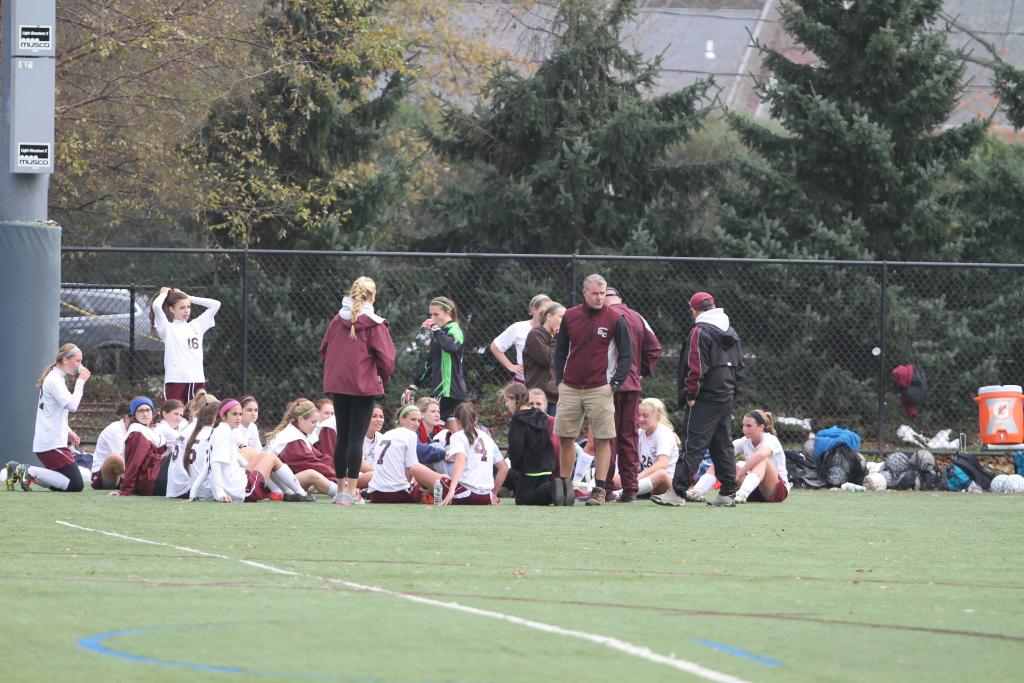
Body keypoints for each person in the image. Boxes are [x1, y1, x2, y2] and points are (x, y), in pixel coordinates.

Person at [653, 291, 744, 508]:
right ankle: (728, 493)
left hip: (704, 397)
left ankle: (677, 492)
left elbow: (696, 367)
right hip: (725, 394)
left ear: (693, 310)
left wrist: (691, 394)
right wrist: (733, 391)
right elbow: (740, 366)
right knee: (722, 444)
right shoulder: (730, 331)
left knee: (692, 443)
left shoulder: (699, 331)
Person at [552, 274, 632, 506]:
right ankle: (565, 485)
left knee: (603, 438)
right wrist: (559, 379)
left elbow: (626, 355)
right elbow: (560, 350)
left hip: (600, 388)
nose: (600, 298)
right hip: (570, 386)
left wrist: (614, 384)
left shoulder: (615, 318)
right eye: (595, 294)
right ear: (585, 293)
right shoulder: (570, 315)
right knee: (566, 436)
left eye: (603, 293)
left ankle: (599, 489)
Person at [320, 276, 397, 506]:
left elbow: (324, 349)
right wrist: (382, 376)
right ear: (372, 296)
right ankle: (352, 493)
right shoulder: (375, 323)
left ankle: (339, 491)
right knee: (356, 439)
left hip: (338, 385)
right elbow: (387, 358)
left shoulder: (337, 319)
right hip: (363, 387)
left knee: (342, 437)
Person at [189, 400, 318, 503]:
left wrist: (194, 491)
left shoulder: (223, 430)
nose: (238, 418)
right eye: (234, 414)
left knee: (263, 456)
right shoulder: (223, 432)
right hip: (242, 491)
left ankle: (292, 493)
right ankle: (299, 493)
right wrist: (220, 494)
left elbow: (209, 464)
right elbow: (214, 464)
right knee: (271, 458)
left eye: (240, 414)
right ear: (223, 416)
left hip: (238, 485)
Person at [602, 287, 661, 503]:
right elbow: (654, 348)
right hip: (631, 386)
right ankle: (630, 489)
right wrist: (640, 372)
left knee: (606, 437)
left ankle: (605, 488)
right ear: (620, 298)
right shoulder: (638, 317)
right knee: (629, 437)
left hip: (607, 385)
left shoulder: (603, 316)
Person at [6, 344, 92, 493]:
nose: (80, 365)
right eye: (77, 361)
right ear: (65, 359)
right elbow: (72, 406)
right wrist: (80, 382)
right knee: (75, 484)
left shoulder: (56, 377)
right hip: (51, 444)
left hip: (50, 443)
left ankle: (21, 471)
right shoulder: (54, 380)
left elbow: (52, 412)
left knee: (69, 482)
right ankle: (26, 471)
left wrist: (67, 431)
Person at [150, 287, 221, 404]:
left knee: (195, 416)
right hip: (176, 379)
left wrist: (188, 297)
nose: (186, 311)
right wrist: (163, 294)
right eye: (182, 308)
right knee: (172, 413)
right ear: (171, 309)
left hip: (197, 379)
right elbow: (157, 306)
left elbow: (216, 304)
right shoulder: (167, 328)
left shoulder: (197, 325)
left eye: (188, 307)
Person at [402, 296, 468, 422]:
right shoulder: (440, 334)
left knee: (429, 423)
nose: (432, 318)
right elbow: (430, 364)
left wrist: (436, 329)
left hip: (447, 391)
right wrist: (414, 385)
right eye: (431, 315)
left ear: (448, 312)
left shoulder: (454, 329)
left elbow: (451, 346)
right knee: (449, 428)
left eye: (436, 314)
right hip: (449, 392)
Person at [366, 405, 448, 503]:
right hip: (397, 494)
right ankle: (449, 489)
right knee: (427, 480)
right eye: (413, 420)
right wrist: (439, 477)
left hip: (375, 494)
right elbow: (414, 468)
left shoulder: (387, 434)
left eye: (419, 421)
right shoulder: (410, 435)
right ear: (401, 419)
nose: (417, 424)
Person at [266, 398, 339, 497]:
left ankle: (346, 489)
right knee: (312, 474)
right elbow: (313, 464)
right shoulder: (292, 439)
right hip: (276, 486)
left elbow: (320, 457)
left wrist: (342, 473)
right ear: (300, 419)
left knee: (319, 476)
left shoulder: (298, 433)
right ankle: (343, 493)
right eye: (313, 422)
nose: (316, 426)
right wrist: (341, 481)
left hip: (286, 481)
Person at [441, 402, 509, 505]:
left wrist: (451, 490)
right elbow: (504, 468)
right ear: (476, 419)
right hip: (486, 497)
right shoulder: (487, 437)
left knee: (418, 469)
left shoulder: (457, 436)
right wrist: (493, 494)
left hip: (467, 493)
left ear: (457, 421)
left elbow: (461, 460)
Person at [609, 398, 678, 498]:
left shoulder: (664, 434)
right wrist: (627, 477)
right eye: (639, 415)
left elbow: (662, 464)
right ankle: (591, 488)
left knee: (661, 474)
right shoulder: (640, 432)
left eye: (645, 416)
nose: (640, 419)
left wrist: (637, 477)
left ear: (657, 417)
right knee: (614, 478)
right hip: (646, 481)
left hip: (666, 484)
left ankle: (618, 494)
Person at [502, 384, 554, 506]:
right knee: (538, 492)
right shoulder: (540, 416)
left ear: (513, 399)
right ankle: (557, 487)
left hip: (529, 467)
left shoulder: (517, 419)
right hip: (546, 466)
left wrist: (515, 463)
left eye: (507, 401)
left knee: (522, 499)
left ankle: (552, 489)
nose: (506, 404)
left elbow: (516, 444)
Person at [113, 397, 169, 497]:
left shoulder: (152, 430)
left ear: (152, 412)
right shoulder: (137, 433)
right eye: (140, 411)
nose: (145, 414)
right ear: (134, 414)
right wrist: (126, 490)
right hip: (149, 480)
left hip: (155, 474)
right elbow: (134, 463)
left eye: (148, 410)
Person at [489, 294, 551, 383]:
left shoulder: (555, 329)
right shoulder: (518, 327)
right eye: (544, 309)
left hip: (547, 384)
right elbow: (495, 346)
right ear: (534, 309)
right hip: (523, 382)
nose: (547, 313)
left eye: (550, 310)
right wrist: (510, 366)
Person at [732, 410, 790, 504]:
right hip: (754, 491)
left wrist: (739, 474)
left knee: (762, 460)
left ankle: (741, 494)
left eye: (749, 426)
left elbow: (760, 455)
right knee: (724, 462)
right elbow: (725, 452)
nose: (744, 429)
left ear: (761, 427)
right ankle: (699, 491)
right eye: (744, 425)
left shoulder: (771, 440)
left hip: (776, 492)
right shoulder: (744, 441)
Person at [523, 301, 564, 415]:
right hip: (537, 397)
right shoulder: (535, 334)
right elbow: (549, 359)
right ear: (549, 316)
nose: (564, 321)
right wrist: (557, 338)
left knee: (553, 431)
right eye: (561, 317)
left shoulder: (559, 337)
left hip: (556, 397)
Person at [89, 402, 130, 490]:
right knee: (116, 458)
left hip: (124, 475)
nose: (145, 415)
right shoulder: (115, 429)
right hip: (101, 476)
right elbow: (123, 458)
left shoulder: (140, 428)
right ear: (127, 417)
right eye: (140, 412)